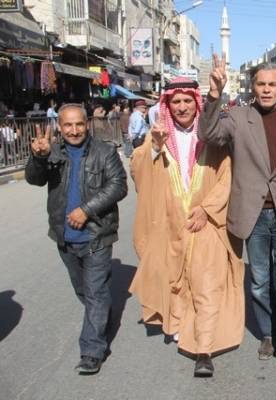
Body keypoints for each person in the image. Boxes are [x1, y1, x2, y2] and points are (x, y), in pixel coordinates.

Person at [199, 56, 276, 379]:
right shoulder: (238, 118)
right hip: (253, 214)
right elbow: (208, 134)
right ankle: (267, 332)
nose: (266, 89)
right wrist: (214, 95)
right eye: (261, 84)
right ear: (253, 87)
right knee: (259, 282)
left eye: (272, 84)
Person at [129, 77, 244, 378]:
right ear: (167, 105)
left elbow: (227, 176)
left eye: (187, 101)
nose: (182, 107)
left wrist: (207, 209)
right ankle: (181, 324)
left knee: (207, 284)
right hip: (172, 224)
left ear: (197, 103)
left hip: (206, 223)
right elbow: (139, 172)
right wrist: (156, 147)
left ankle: (204, 350)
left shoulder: (212, 137)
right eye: (176, 102)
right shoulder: (157, 134)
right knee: (177, 280)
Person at [25, 103, 128, 374]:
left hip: (96, 235)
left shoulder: (104, 151)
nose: (74, 130)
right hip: (64, 237)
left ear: (87, 124)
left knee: (95, 292)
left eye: (79, 124)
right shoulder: (51, 151)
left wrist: (86, 210)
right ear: (60, 127)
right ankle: (101, 316)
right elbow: (34, 180)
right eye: (68, 125)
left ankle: (92, 351)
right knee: (83, 290)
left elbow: (119, 185)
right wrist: (38, 158)